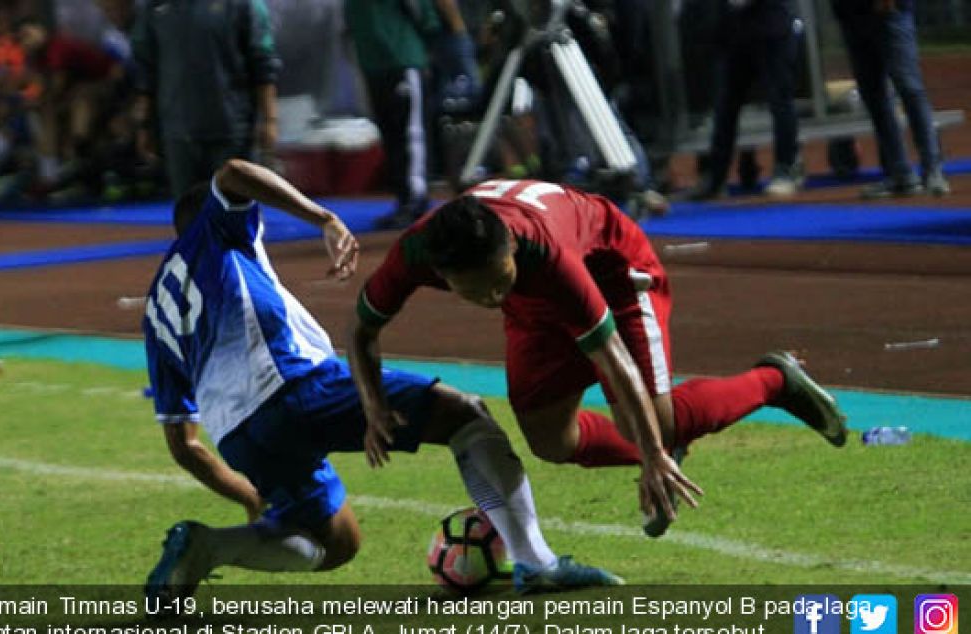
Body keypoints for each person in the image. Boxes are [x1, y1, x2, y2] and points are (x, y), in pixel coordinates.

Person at [141, 160, 618, 602]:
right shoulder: (219, 230)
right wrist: (323, 216)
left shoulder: (156, 312)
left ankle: (209, 547)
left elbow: (184, 445)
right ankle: (536, 564)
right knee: (466, 415)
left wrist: (248, 493)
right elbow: (233, 172)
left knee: (335, 543)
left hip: (240, 438)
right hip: (294, 384)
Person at [348, 178, 848, 537]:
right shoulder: (416, 253)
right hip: (537, 301)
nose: (492, 297)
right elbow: (362, 331)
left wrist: (651, 449)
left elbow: (610, 355)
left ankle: (774, 380)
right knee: (550, 438)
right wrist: (373, 407)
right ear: (440, 272)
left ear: (511, 248)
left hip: (614, 273)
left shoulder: (545, 257)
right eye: (476, 292)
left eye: (499, 281)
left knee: (653, 423)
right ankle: (660, 452)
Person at [131, 0, 280, 197]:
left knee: (233, 212)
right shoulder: (154, 7)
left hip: (231, 130)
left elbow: (263, 63)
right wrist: (144, 124)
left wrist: (270, 120)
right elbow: (145, 68)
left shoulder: (245, 4)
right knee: (189, 216)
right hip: (177, 133)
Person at [686, 0, 804, 200]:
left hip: (770, 24)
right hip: (733, 28)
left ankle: (787, 168)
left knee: (780, 100)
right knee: (725, 107)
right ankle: (716, 177)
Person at [831, 0, 949, 198]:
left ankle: (932, 169)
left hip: (889, 11)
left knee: (909, 87)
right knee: (874, 95)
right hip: (851, 15)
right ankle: (900, 173)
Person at [343, 0, 437, 230]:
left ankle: (416, 198)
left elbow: (425, 16)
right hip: (373, 63)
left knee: (410, 132)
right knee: (390, 135)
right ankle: (404, 198)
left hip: (402, 59)